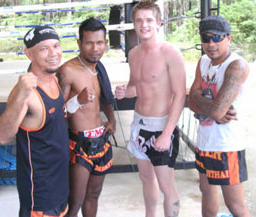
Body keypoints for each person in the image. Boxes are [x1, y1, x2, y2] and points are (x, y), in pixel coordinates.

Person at [115, 1, 186, 217]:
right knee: (146, 179)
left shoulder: (170, 53)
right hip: (139, 124)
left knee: (166, 185)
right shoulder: (134, 54)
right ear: (133, 24)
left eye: (148, 20)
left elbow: (180, 95)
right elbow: (135, 86)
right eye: (139, 20)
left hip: (161, 126)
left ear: (158, 23)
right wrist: (124, 92)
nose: (143, 25)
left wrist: (166, 134)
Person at [0, 26, 69, 217]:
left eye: (56, 46)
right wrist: (20, 95)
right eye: (44, 49)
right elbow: (2, 137)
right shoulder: (26, 93)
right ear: (29, 54)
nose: (53, 53)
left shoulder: (55, 79)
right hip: (40, 195)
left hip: (60, 186)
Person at [188, 15, 250, 217]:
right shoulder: (204, 61)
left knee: (235, 205)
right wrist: (208, 106)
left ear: (229, 38)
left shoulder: (237, 66)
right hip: (205, 142)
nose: (211, 44)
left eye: (217, 37)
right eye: (206, 38)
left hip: (226, 147)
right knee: (206, 192)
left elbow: (216, 111)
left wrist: (203, 104)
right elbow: (191, 100)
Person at [57, 18, 116, 217]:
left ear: (106, 43)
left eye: (99, 43)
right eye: (89, 43)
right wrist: (77, 101)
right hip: (79, 144)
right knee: (75, 201)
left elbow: (106, 98)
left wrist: (112, 119)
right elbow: (56, 114)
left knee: (94, 195)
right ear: (79, 43)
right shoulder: (67, 71)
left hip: (101, 140)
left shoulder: (99, 67)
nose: (95, 48)